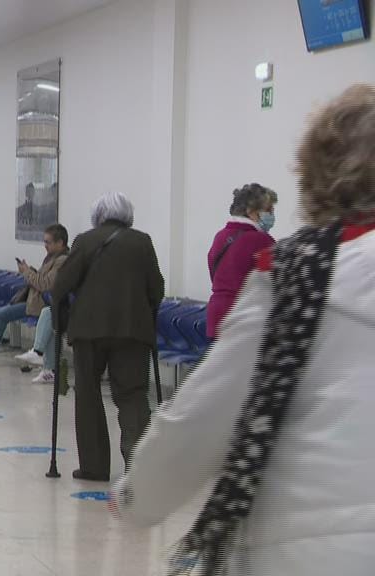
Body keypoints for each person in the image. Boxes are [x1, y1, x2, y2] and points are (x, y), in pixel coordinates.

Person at [113, 84, 375, 576]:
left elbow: (204, 414)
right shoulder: (266, 248)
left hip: (313, 550)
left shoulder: (301, 270)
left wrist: (138, 496)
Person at [51, 191, 164, 482]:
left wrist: (58, 322)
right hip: (132, 330)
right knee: (133, 395)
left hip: (89, 331)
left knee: (88, 394)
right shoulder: (142, 242)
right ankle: (138, 465)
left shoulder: (85, 241)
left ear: (98, 216)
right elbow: (157, 288)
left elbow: (61, 285)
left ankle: (94, 466)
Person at [0, 223, 70, 372]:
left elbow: (45, 284)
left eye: (48, 242)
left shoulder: (62, 261)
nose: (45, 246)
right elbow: (42, 279)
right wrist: (29, 271)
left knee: (2, 315)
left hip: (42, 305)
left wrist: (27, 272)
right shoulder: (52, 257)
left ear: (60, 243)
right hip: (35, 302)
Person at [206, 183, 278, 339]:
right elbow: (272, 281)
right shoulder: (261, 240)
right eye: (268, 210)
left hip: (216, 315)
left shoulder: (220, 236)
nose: (272, 215)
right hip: (244, 318)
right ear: (251, 211)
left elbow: (214, 273)